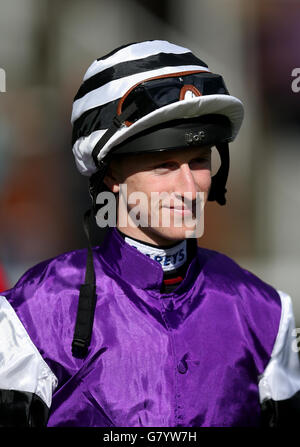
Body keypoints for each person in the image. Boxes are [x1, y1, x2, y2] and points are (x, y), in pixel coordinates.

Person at [1, 40, 300, 428]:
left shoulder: (268, 315)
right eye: (164, 165)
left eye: (198, 161)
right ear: (110, 174)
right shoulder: (30, 316)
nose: (188, 187)